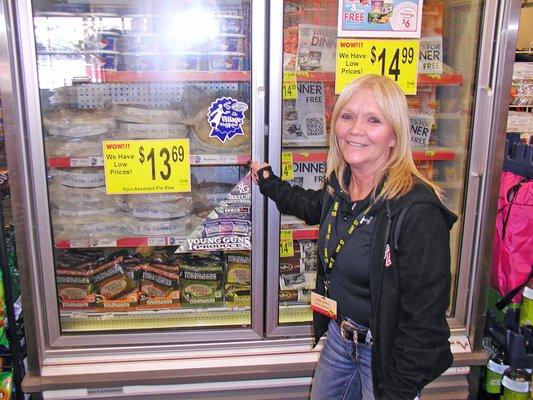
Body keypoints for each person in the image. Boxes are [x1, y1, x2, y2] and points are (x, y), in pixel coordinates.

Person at [249, 74, 457, 400]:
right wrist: (268, 182)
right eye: (347, 116)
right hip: (340, 338)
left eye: (373, 119)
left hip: (386, 355)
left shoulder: (416, 211)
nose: (355, 129)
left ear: (394, 136)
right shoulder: (342, 184)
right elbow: (312, 206)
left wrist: (398, 390)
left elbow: (423, 322)